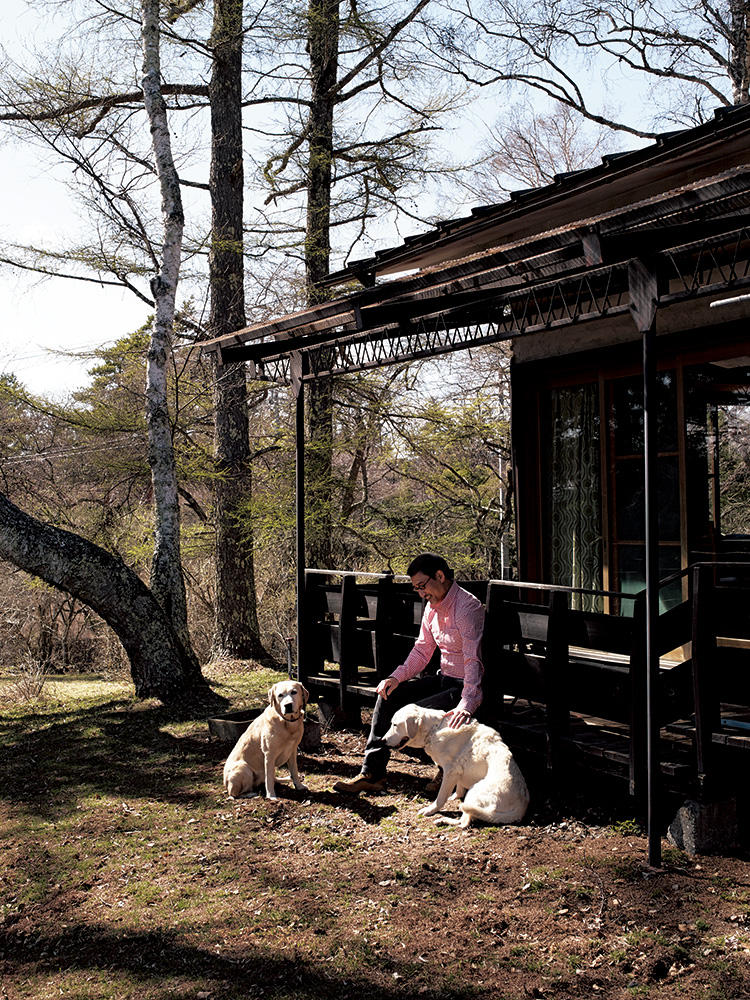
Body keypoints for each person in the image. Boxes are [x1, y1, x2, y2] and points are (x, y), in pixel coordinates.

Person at [333, 552, 485, 794]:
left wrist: (467, 703)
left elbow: (473, 659)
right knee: (388, 696)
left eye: (422, 586)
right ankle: (372, 773)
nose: (421, 594)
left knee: (419, 713)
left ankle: (449, 772)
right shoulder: (432, 608)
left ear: (440, 575)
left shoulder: (467, 608)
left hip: (465, 686)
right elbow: (423, 651)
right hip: (443, 678)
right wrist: (396, 677)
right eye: (416, 589)